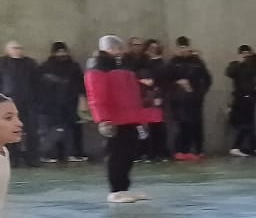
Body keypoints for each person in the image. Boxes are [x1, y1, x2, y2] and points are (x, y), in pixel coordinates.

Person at [84, 36, 148, 203]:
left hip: (130, 118)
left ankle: (124, 188)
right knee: (116, 155)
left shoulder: (123, 65)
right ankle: (115, 190)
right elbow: (96, 96)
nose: (121, 52)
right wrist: (103, 119)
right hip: (114, 119)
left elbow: (133, 94)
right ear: (110, 49)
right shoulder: (98, 66)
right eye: (118, 49)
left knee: (128, 154)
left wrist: (140, 119)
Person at [37, 44, 87, 164]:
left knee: (73, 129)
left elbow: (81, 84)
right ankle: (52, 154)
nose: (61, 54)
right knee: (55, 130)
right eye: (59, 52)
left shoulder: (74, 66)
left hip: (71, 103)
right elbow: (40, 86)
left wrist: (82, 98)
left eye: (63, 51)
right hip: (52, 104)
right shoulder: (45, 67)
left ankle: (73, 153)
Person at [165, 37, 212, 161]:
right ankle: (181, 150)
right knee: (182, 125)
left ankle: (198, 150)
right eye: (181, 47)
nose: (183, 50)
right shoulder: (173, 62)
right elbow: (165, 80)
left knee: (196, 124)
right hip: (178, 100)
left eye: (185, 47)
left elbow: (207, 78)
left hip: (195, 99)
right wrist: (177, 84)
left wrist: (200, 93)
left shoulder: (197, 62)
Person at [1, 43, 41, 167]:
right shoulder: (2, 63)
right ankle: (13, 158)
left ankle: (33, 158)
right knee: (9, 131)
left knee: (32, 131)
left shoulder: (30, 63)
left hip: (29, 103)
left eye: (19, 48)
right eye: (14, 48)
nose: (17, 51)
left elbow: (37, 81)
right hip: (8, 103)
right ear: (7, 50)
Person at [134, 39, 169, 163]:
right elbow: (132, 75)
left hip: (155, 97)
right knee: (143, 127)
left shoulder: (161, 63)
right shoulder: (140, 61)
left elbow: (163, 80)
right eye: (150, 48)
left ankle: (159, 152)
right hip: (142, 99)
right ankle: (145, 152)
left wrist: (159, 93)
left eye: (155, 47)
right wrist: (141, 81)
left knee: (158, 125)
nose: (152, 50)